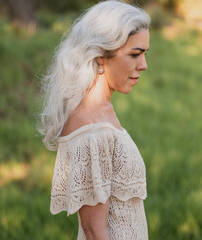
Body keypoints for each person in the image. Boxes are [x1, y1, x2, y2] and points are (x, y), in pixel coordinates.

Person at [39, 1, 150, 239]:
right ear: (100, 56)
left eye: (144, 54)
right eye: (134, 54)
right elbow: (93, 231)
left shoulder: (103, 110)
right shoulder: (92, 129)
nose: (143, 65)